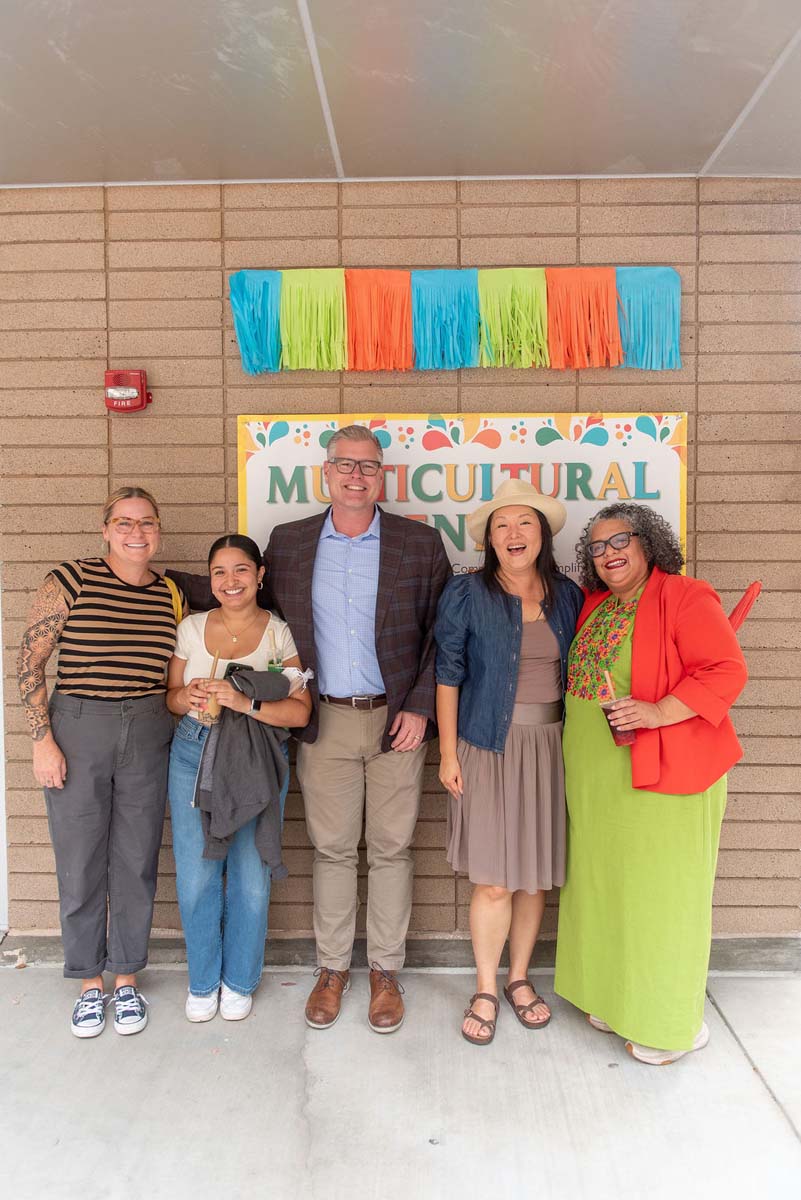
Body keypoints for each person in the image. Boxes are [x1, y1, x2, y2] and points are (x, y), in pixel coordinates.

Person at [169, 425, 451, 1034]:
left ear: (383, 475)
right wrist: (146, 576)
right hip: (322, 719)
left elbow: (441, 633)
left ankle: (384, 971)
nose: (356, 475)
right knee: (329, 848)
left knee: (393, 848)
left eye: (368, 466)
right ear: (325, 473)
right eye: (344, 465)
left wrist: (421, 707)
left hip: (396, 720)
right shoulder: (290, 543)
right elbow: (239, 595)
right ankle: (331, 970)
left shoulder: (420, 543)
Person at [554, 502, 748, 1065]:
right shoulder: (595, 604)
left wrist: (661, 711)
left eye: (621, 541)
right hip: (597, 776)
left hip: (669, 773)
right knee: (605, 888)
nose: (609, 554)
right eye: (596, 547)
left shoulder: (686, 596)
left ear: (649, 543)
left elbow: (726, 669)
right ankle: (613, 998)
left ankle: (666, 1023)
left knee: (660, 898)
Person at [16, 487, 183, 1038]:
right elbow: (29, 662)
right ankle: (89, 983)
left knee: (136, 856)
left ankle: (127, 977)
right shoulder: (70, 579)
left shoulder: (169, 595)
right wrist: (42, 739)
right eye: (125, 522)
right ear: (105, 528)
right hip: (78, 726)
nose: (137, 533)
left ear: (159, 530)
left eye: (148, 523)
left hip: (148, 725)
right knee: (80, 857)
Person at [435, 480, 583, 1045]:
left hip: (551, 747)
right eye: (502, 525)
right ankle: (485, 987)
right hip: (487, 746)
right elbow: (447, 674)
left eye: (525, 523)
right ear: (489, 540)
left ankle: (520, 979)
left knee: (535, 877)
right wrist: (448, 752)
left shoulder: (566, 595)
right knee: (495, 880)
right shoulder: (467, 594)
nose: (514, 533)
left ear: (542, 535)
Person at [166, 534, 311, 1023]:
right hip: (193, 751)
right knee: (197, 875)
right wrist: (188, 696)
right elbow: (170, 697)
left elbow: (298, 711)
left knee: (251, 876)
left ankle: (240, 981)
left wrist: (244, 701)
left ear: (260, 575)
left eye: (241, 570)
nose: (231, 581)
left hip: (256, 757)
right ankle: (204, 982)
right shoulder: (190, 627)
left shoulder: (279, 634)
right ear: (211, 580)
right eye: (220, 573)